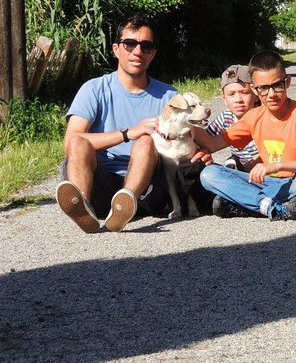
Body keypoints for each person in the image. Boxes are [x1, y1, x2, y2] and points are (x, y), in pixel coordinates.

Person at [56, 14, 204, 233]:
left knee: (145, 142)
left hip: (148, 188)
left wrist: (203, 151)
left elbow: (193, 137)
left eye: (145, 46)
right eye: (130, 44)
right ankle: (84, 207)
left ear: (153, 54)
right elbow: (70, 142)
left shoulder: (169, 96)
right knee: (79, 142)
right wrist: (127, 133)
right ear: (116, 49)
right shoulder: (94, 89)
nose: (137, 52)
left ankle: (125, 204)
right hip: (100, 181)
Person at [193, 50, 296, 221]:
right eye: (263, 88)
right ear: (254, 90)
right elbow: (213, 144)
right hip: (270, 185)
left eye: (277, 85)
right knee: (209, 174)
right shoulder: (254, 116)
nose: (271, 94)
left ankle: (248, 204)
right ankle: (274, 208)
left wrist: (276, 167)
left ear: (287, 82)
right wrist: (183, 123)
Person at [207, 64, 261, 170]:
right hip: (240, 171)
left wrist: (245, 169)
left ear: (256, 95)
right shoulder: (226, 117)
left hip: (266, 171)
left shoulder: (264, 117)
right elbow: (206, 140)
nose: (238, 99)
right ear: (224, 99)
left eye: (244, 93)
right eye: (231, 94)